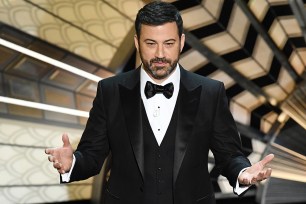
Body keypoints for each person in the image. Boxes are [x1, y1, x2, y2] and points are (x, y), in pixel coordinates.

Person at [45, 1, 274, 204]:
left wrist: (243, 172)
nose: (160, 54)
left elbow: (229, 154)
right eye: (151, 43)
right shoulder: (110, 90)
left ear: (182, 42)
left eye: (169, 43)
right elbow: (93, 155)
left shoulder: (210, 92)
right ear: (137, 42)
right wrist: (72, 162)